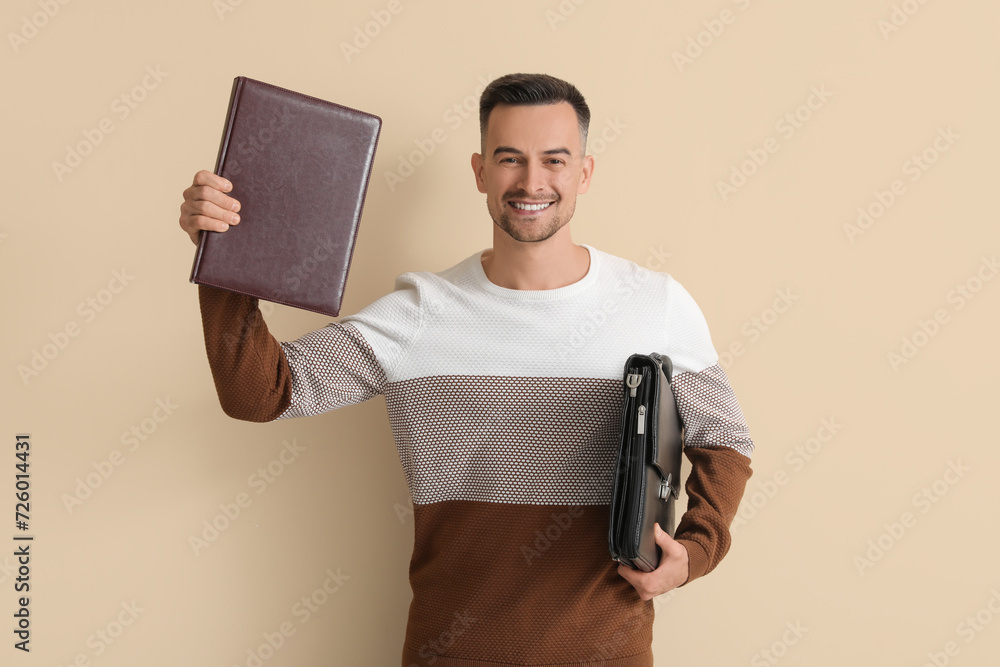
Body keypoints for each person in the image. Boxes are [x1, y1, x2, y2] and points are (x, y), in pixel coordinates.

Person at [178, 73, 755, 667]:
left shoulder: (654, 303)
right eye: (510, 159)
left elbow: (727, 442)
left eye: (554, 160)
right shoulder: (421, 312)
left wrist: (695, 551)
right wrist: (223, 255)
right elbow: (258, 393)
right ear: (480, 171)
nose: (532, 182)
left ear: (583, 172)